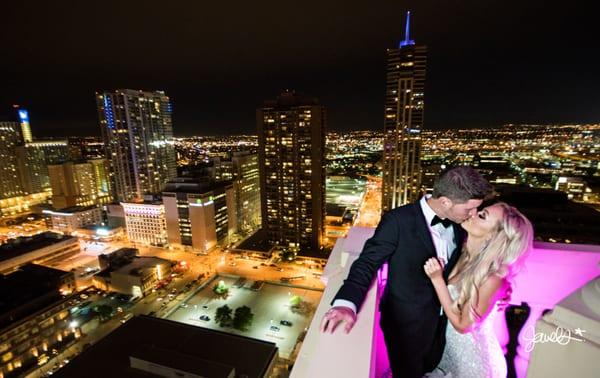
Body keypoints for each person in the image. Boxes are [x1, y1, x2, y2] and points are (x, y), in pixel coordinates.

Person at [320, 166, 494, 378]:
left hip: (443, 326)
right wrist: (346, 304)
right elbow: (366, 263)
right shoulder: (397, 221)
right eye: (469, 209)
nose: (473, 214)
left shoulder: (459, 224)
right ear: (445, 202)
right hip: (405, 327)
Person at [423, 202, 533, 378]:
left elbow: (463, 325)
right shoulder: (464, 254)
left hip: (475, 366)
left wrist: (437, 280)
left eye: (482, 215)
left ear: (493, 236)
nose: (473, 213)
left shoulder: (492, 278)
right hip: (451, 356)